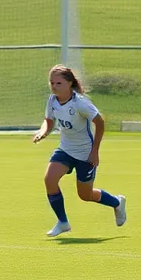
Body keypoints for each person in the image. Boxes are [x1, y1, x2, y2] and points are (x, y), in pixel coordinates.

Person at [32, 65, 126, 237]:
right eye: (51, 82)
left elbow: (100, 122)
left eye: (58, 83)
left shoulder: (80, 103)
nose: (54, 86)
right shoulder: (52, 100)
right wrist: (43, 132)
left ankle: (117, 202)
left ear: (69, 83)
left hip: (84, 154)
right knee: (49, 179)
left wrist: (95, 151)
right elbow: (48, 120)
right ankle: (62, 222)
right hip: (65, 149)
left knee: (85, 194)